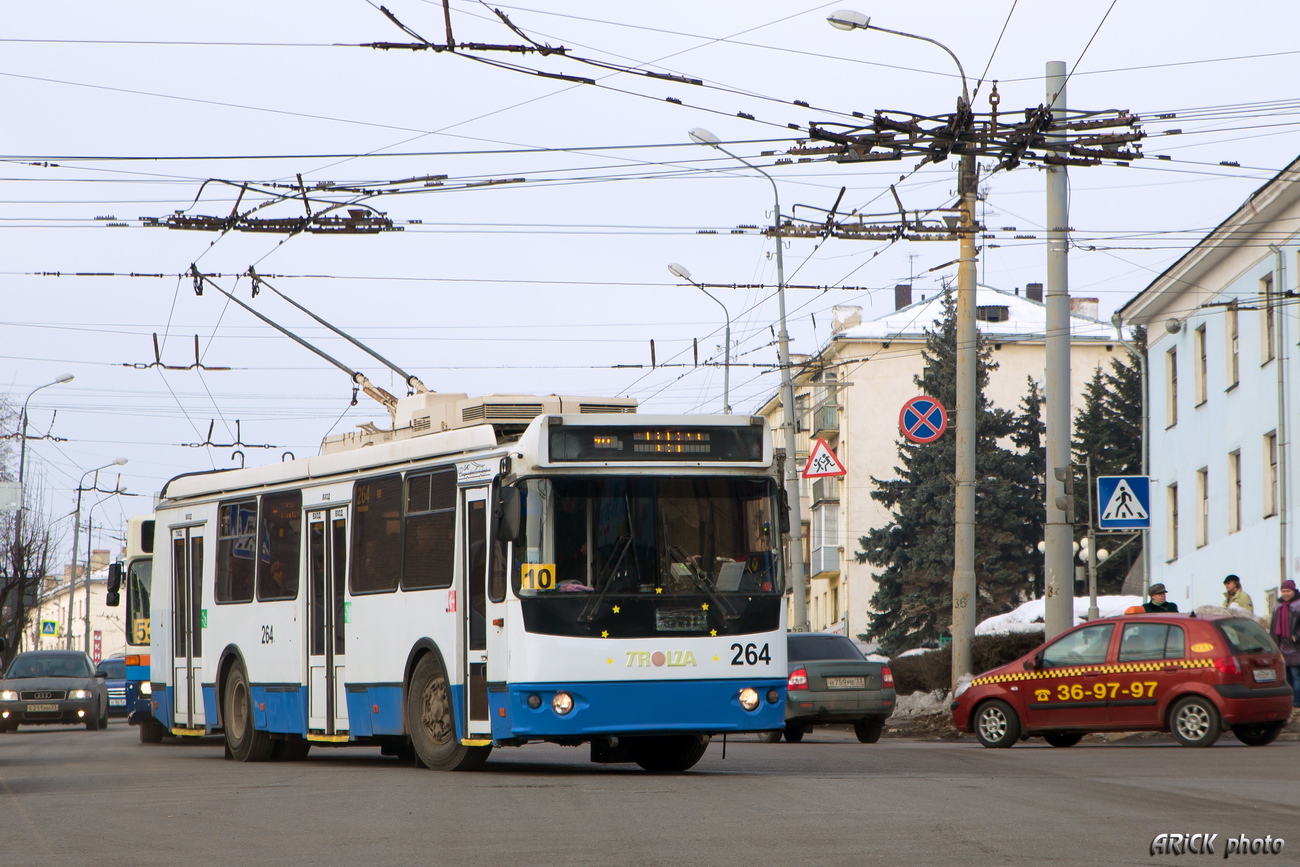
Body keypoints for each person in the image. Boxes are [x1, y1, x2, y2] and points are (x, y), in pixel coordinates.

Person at [1269, 579, 1300, 708]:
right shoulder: (1278, 606)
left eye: (1288, 591)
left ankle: (1297, 702)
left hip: (1295, 647)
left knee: (1296, 675)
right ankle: (1288, 702)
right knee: (1285, 677)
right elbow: (1273, 626)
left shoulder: (1298, 605)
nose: (1286, 594)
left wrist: (1297, 636)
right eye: (1284, 591)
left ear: (1293, 591)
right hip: (1281, 645)